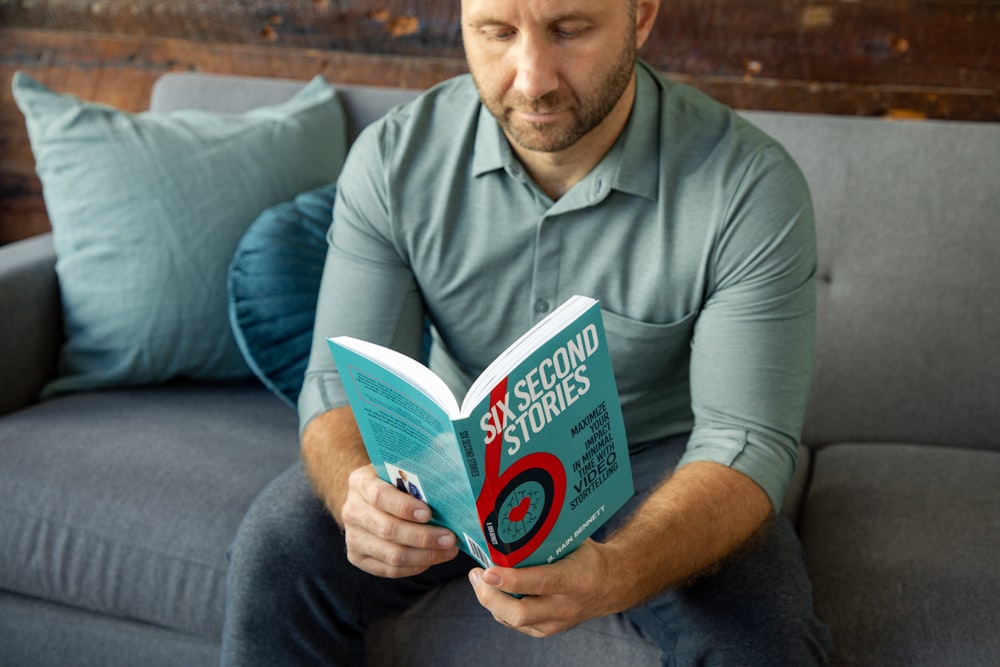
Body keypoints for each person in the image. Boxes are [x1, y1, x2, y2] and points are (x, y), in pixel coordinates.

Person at [220, 0, 833, 664]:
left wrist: (618, 571)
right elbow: (335, 382)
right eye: (497, 33)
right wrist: (356, 496)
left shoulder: (749, 184)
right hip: (450, 462)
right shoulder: (394, 159)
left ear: (642, 16)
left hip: (658, 462)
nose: (532, 78)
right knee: (276, 549)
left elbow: (747, 439)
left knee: (760, 638)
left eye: (569, 30)